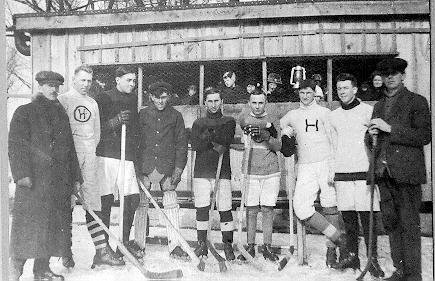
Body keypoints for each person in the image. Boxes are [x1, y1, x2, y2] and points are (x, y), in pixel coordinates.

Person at [8, 71, 82, 281]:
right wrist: (21, 174)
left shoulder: (61, 115)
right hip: (33, 182)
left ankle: (42, 269)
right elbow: (16, 145)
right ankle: (15, 269)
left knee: (50, 225)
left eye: (56, 86)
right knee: (27, 225)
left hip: (57, 182)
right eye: (49, 85)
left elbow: (70, 149)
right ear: (40, 86)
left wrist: (75, 178)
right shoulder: (25, 112)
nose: (54, 90)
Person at [367, 58, 431, 281]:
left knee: (409, 226)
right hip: (384, 176)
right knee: (392, 225)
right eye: (386, 74)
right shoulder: (378, 105)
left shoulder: (417, 102)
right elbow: (374, 141)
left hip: (406, 176)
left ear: (403, 76)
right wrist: (371, 135)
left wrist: (389, 128)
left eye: (395, 73)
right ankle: (400, 270)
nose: (390, 77)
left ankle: (413, 276)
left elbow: (424, 136)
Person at [58, 65, 125, 268]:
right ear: (74, 80)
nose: (86, 84)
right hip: (70, 157)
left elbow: (96, 134)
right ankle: (65, 252)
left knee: (94, 204)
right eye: (82, 80)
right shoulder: (64, 100)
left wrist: (88, 153)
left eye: (89, 81)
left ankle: (101, 251)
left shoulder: (92, 103)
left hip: (90, 156)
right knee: (67, 204)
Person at [280, 79, 347, 268]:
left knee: (329, 203)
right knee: (300, 206)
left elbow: (334, 139)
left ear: (314, 93)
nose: (305, 96)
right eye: (302, 92)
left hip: (326, 162)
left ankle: (331, 251)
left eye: (309, 92)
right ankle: (336, 236)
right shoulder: (293, 115)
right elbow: (283, 126)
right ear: (298, 94)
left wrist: (334, 166)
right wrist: (286, 131)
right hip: (306, 165)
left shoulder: (325, 113)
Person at [329, 73, 384, 277]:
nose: (342, 92)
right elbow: (332, 146)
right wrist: (332, 170)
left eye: (346, 88)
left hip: (363, 172)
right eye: (339, 88)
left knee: (367, 219)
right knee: (349, 220)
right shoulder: (333, 116)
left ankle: (373, 261)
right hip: (342, 172)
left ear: (355, 89)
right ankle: (352, 257)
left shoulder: (368, 111)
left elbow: (376, 143)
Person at [95, 66, 144, 262]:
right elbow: (96, 127)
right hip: (106, 156)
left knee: (132, 198)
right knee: (105, 201)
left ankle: (122, 243)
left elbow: (135, 129)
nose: (132, 84)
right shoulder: (103, 98)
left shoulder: (132, 99)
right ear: (117, 80)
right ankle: (103, 248)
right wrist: (115, 121)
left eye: (134, 81)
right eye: (128, 80)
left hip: (127, 156)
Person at [139, 81, 189, 259]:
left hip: (166, 167)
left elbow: (182, 145)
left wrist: (177, 170)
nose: (160, 101)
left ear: (168, 97)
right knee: (142, 203)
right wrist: (138, 170)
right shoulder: (143, 114)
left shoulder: (176, 116)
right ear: (150, 97)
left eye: (164, 97)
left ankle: (175, 245)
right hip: (146, 165)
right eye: (156, 97)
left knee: (170, 200)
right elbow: (136, 143)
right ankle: (139, 244)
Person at [190, 87, 236, 261]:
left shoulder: (229, 121)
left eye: (217, 100)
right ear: (205, 103)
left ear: (222, 102)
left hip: (222, 171)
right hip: (202, 171)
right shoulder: (198, 122)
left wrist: (208, 138)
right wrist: (213, 140)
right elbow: (195, 145)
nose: (214, 104)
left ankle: (227, 245)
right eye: (210, 101)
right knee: (202, 209)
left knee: (225, 209)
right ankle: (202, 244)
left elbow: (226, 140)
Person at [237, 90, 282, 262]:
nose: (257, 106)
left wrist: (268, 137)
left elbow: (279, 146)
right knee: (251, 209)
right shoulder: (243, 118)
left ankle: (267, 247)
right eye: (254, 103)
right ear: (249, 102)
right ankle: (250, 246)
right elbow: (239, 133)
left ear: (265, 102)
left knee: (268, 208)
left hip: (270, 171)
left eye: (260, 103)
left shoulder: (272, 119)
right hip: (249, 170)